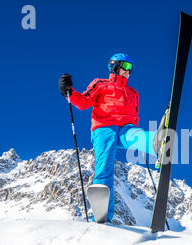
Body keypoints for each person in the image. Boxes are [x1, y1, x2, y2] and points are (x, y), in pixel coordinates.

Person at [58, 53, 159, 223]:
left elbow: (135, 117)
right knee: (105, 163)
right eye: (126, 66)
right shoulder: (100, 84)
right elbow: (83, 102)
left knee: (137, 136)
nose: (129, 71)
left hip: (126, 128)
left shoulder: (133, 92)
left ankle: (157, 144)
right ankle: (103, 212)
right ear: (114, 66)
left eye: (131, 68)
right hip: (104, 127)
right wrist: (69, 92)